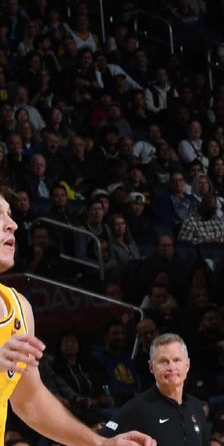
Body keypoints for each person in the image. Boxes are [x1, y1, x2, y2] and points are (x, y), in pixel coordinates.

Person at [0, 188, 155, 445]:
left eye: (10, 215)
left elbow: (29, 400)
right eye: (0, 216)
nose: (12, 225)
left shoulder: (19, 308)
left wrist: (100, 443)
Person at [100, 333, 208, 445]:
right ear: (151, 367)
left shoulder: (196, 407)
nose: (171, 367)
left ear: (187, 365)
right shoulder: (137, 407)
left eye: (176, 360)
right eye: (163, 361)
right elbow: (100, 440)